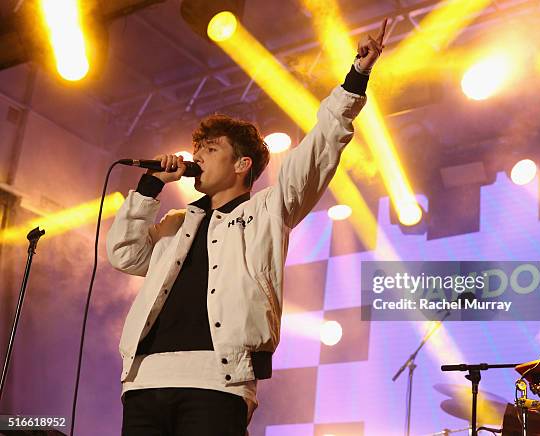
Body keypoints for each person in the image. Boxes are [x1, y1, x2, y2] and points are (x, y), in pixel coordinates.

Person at [106, 18, 387, 436]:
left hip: (215, 383)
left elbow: (318, 149)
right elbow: (124, 254)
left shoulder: (266, 211)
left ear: (242, 165)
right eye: (197, 147)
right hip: (145, 380)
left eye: (211, 148)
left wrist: (355, 78)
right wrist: (148, 189)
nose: (197, 154)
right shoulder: (177, 222)